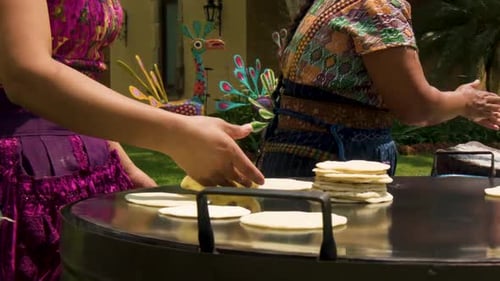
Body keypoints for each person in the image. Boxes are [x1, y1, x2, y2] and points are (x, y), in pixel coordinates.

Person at [0, 0, 264, 280]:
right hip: (20, 174)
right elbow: (25, 73)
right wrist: (177, 135)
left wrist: (120, 160)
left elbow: (80, 77)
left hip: (92, 167)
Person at [257, 0, 500, 177]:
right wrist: (466, 102)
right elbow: (416, 107)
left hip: (298, 159)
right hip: (334, 167)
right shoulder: (378, 6)